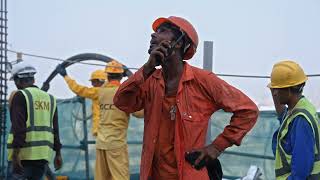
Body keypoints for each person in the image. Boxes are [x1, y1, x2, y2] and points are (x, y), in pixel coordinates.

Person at [113, 16, 259, 180]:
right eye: (155, 32)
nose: (153, 35)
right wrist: (147, 68)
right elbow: (121, 101)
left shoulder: (203, 81)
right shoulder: (150, 81)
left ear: (180, 42)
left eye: (162, 31)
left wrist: (216, 147)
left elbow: (248, 110)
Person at [57, 60, 143, 180]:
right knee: (120, 177)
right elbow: (140, 113)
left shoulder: (100, 92)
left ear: (107, 75)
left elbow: (79, 89)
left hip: (101, 143)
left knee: (102, 177)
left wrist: (65, 76)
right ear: (121, 76)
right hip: (116, 144)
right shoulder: (124, 94)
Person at [7, 62, 63, 180]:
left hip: (22, 156)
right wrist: (58, 153)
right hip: (42, 156)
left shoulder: (20, 95)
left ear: (17, 80)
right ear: (33, 79)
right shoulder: (51, 99)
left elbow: (19, 128)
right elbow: (55, 130)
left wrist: (16, 155)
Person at [268, 60, 320, 180]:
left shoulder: (301, 120)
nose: (274, 93)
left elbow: (300, 172)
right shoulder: (298, 108)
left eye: (278, 89)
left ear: (289, 90)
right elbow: (282, 116)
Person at [55, 67, 107, 137]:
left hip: (101, 130)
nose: (92, 85)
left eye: (93, 82)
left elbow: (78, 89)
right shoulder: (112, 91)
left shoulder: (97, 91)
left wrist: (65, 76)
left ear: (100, 81)